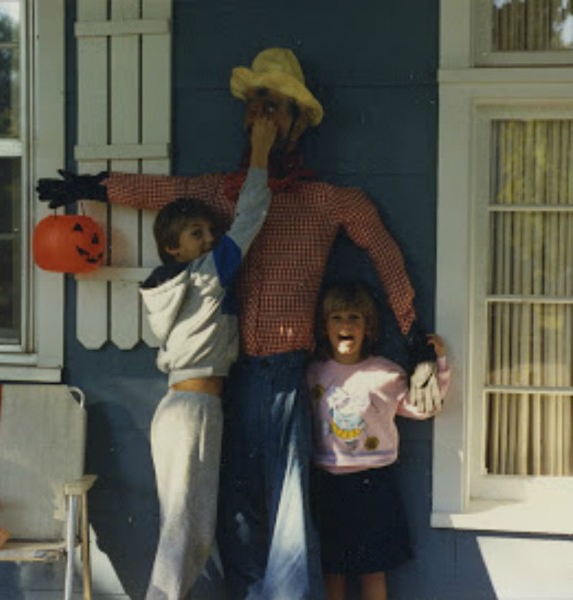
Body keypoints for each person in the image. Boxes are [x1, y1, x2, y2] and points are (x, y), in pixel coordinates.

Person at [37, 48, 434, 600]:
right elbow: (160, 194)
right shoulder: (220, 194)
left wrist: (414, 336)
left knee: (290, 509)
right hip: (225, 378)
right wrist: (90, 187)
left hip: (288, 376)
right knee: (234, 509)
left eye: (270, 106)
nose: (257, 118)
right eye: (251, 106)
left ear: (296, 119)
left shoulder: (330, 201)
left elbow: (385, 253)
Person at [140, 117, 276, 600]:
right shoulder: (204, 276)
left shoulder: (180, 284)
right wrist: (260, 153)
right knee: (185, 534)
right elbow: (250, 215)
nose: (210, 238)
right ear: (173, 248)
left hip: (189, 408)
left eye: (208, 231)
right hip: (193, 410)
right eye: (196, 233)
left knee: (191, 531)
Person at [307, 282, 450, 600]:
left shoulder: (385, 374)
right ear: (324, 326)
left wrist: (439, 366)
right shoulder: (312, 374)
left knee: (374, 568)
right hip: (328, 485)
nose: (346, 325)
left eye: (355, 317)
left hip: (374, 485)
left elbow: (423, 407)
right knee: (334, 569)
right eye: (337, 318)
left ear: (368, 327)